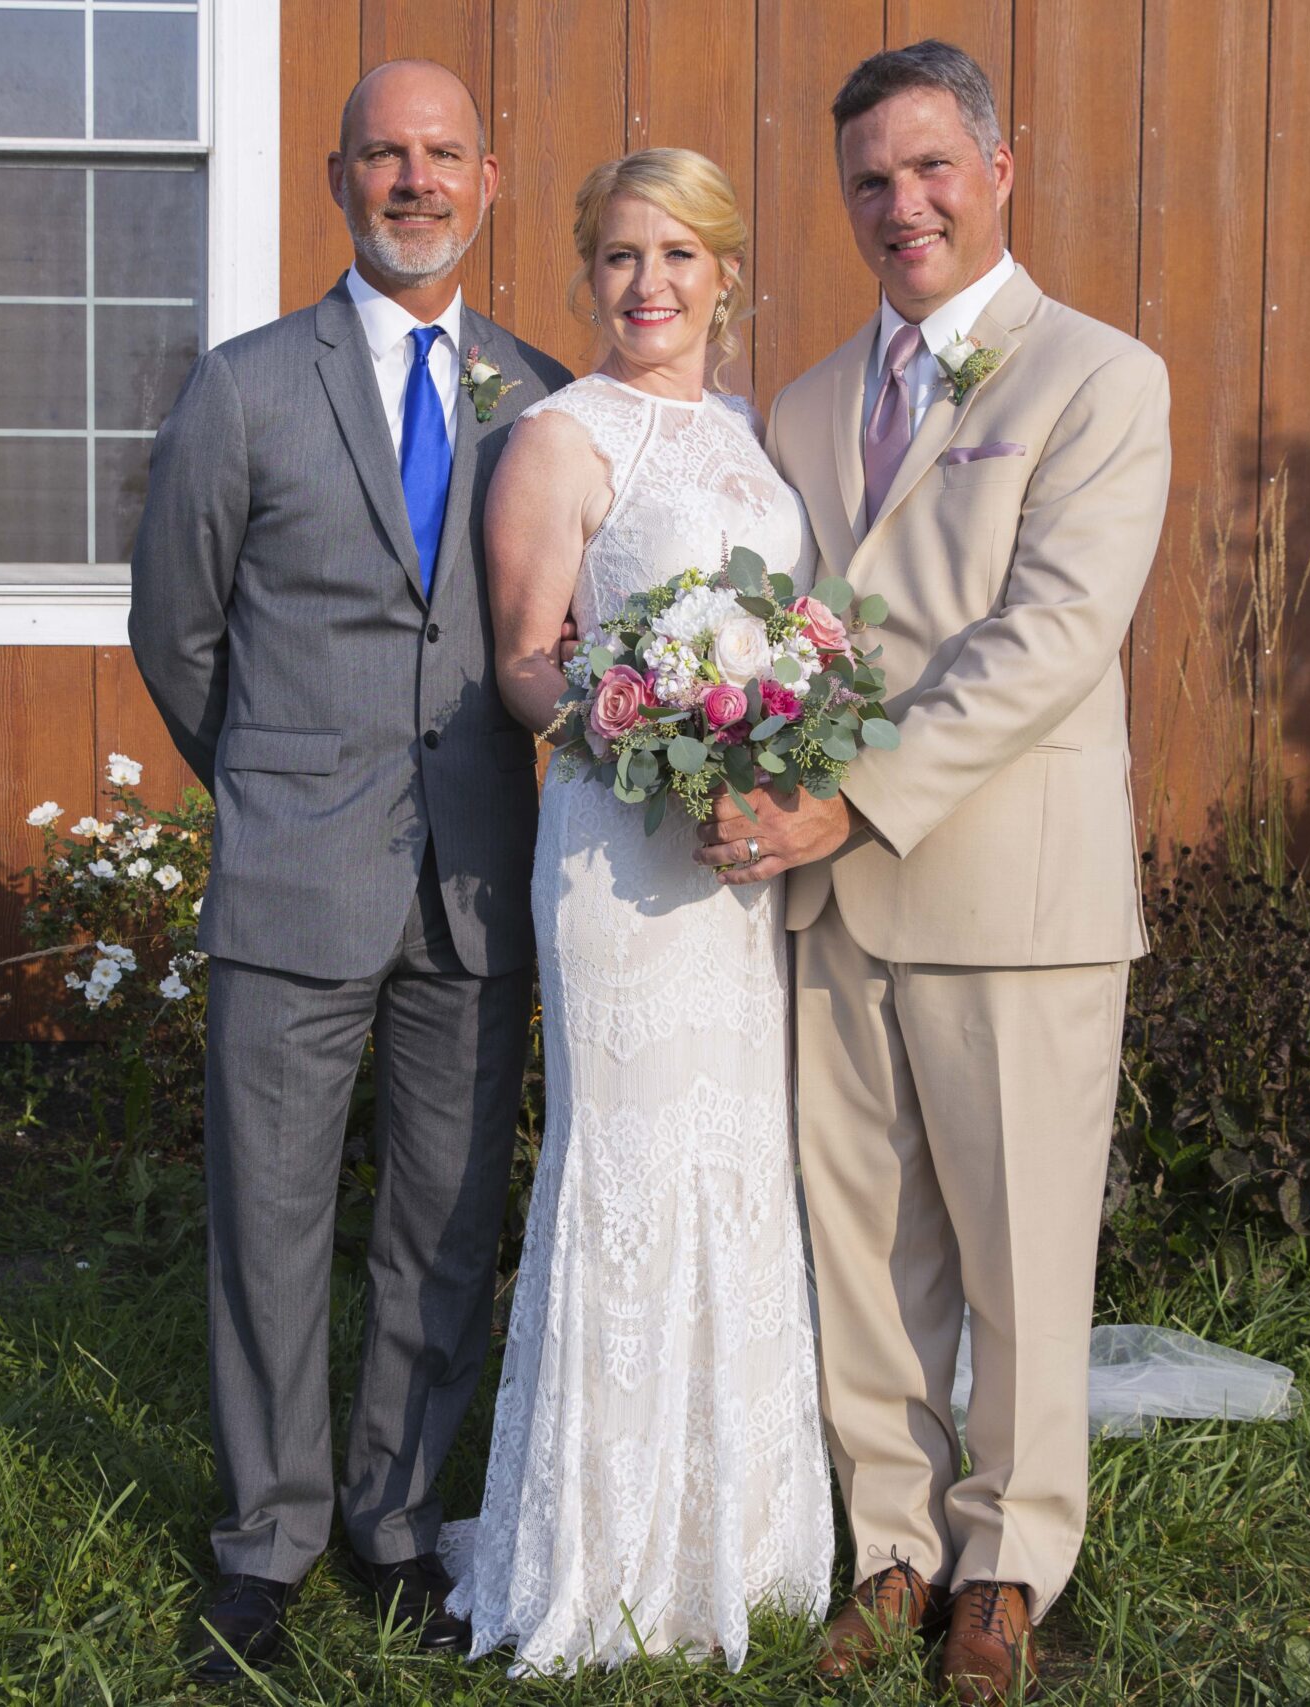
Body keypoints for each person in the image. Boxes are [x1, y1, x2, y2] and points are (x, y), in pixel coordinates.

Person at [697, 40, 1173, 1705]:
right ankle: (891, 1549)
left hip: (1011, 897)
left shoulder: (1100, 379)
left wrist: (853, 798)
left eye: (929, 168)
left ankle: (1008, 1566)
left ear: (998, 168)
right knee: (866, 1254)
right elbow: (777, 636)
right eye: (870, 182)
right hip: (830, 905)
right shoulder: (807, 402)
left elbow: (1053, 636)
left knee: (1022, 1262)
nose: (902, 204)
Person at [127, 59, 572, 1683]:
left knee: (444, 1226)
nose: (415, 179)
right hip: (293, 879)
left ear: (489, 181)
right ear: (338, 179)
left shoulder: (544, 397)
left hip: (478, 885)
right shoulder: (245, 388)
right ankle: (267, 1541)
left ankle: (392, 1520)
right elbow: (176, 633)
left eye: (444, 153)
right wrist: (273, 790)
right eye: (384, 153)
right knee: (270, 1221)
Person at [447, 147, 834, 1675]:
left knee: (735, 1160)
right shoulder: (559, 437)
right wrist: (648, 729)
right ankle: (605, 1553)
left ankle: (741, 1540)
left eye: (677, 255)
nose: (648, 284)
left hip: (740, 867)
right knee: (632, 1167)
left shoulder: (750, 433)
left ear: (725, 273)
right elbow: (522, 659)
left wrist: (772, 749)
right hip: (622, 852)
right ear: (587, 275)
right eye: (619, 256)